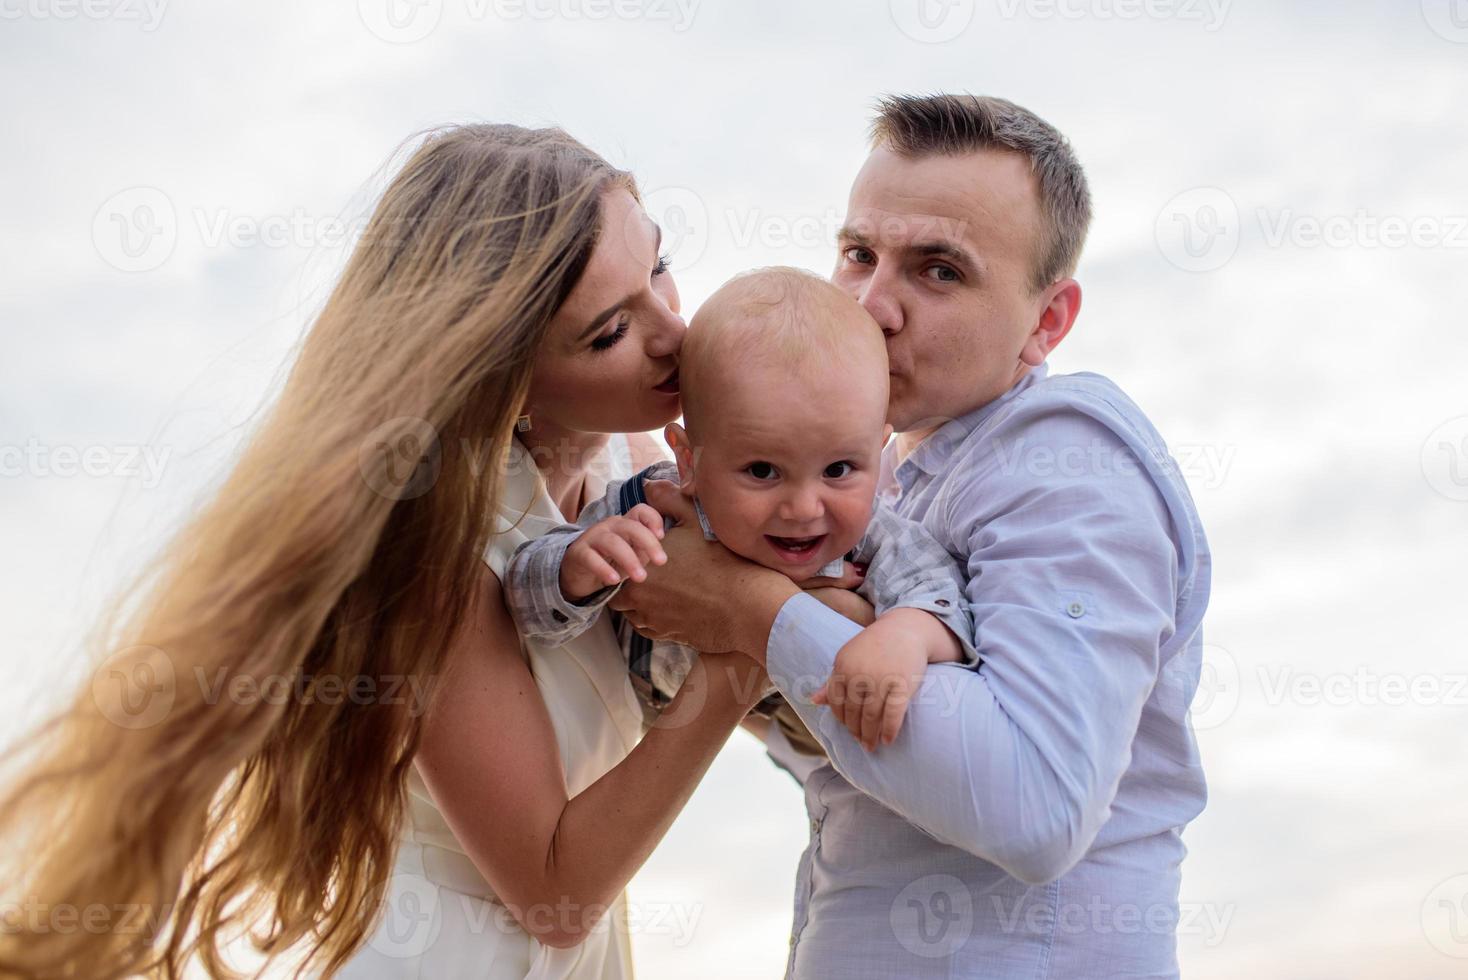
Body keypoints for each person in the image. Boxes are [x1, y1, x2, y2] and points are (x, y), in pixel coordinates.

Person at [0, 124, 767, 980]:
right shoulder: (437, 543)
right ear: (503, 375)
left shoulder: (643, 468)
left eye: (658, 264)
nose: (675, 330)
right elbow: (559, 885)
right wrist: (742, 660)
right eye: (609, 332)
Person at [608, 94, 1213, 978]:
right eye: (858, 254)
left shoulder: (1068, 456)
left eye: (938, 271)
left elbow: (1035, 806)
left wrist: (750, 610)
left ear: (1047, 321)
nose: (871, 305)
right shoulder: (862, 482)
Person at [502, 267, 977, 754]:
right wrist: (575, 567)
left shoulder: (877, 535)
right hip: (645, 713)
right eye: (762, 471)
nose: (803, 508)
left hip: (804, 718)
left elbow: (945, 601)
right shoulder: (647, 507)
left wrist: (906, 636)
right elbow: (522, 603)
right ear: (689, 460)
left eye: (838, 469)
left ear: (879, 451)